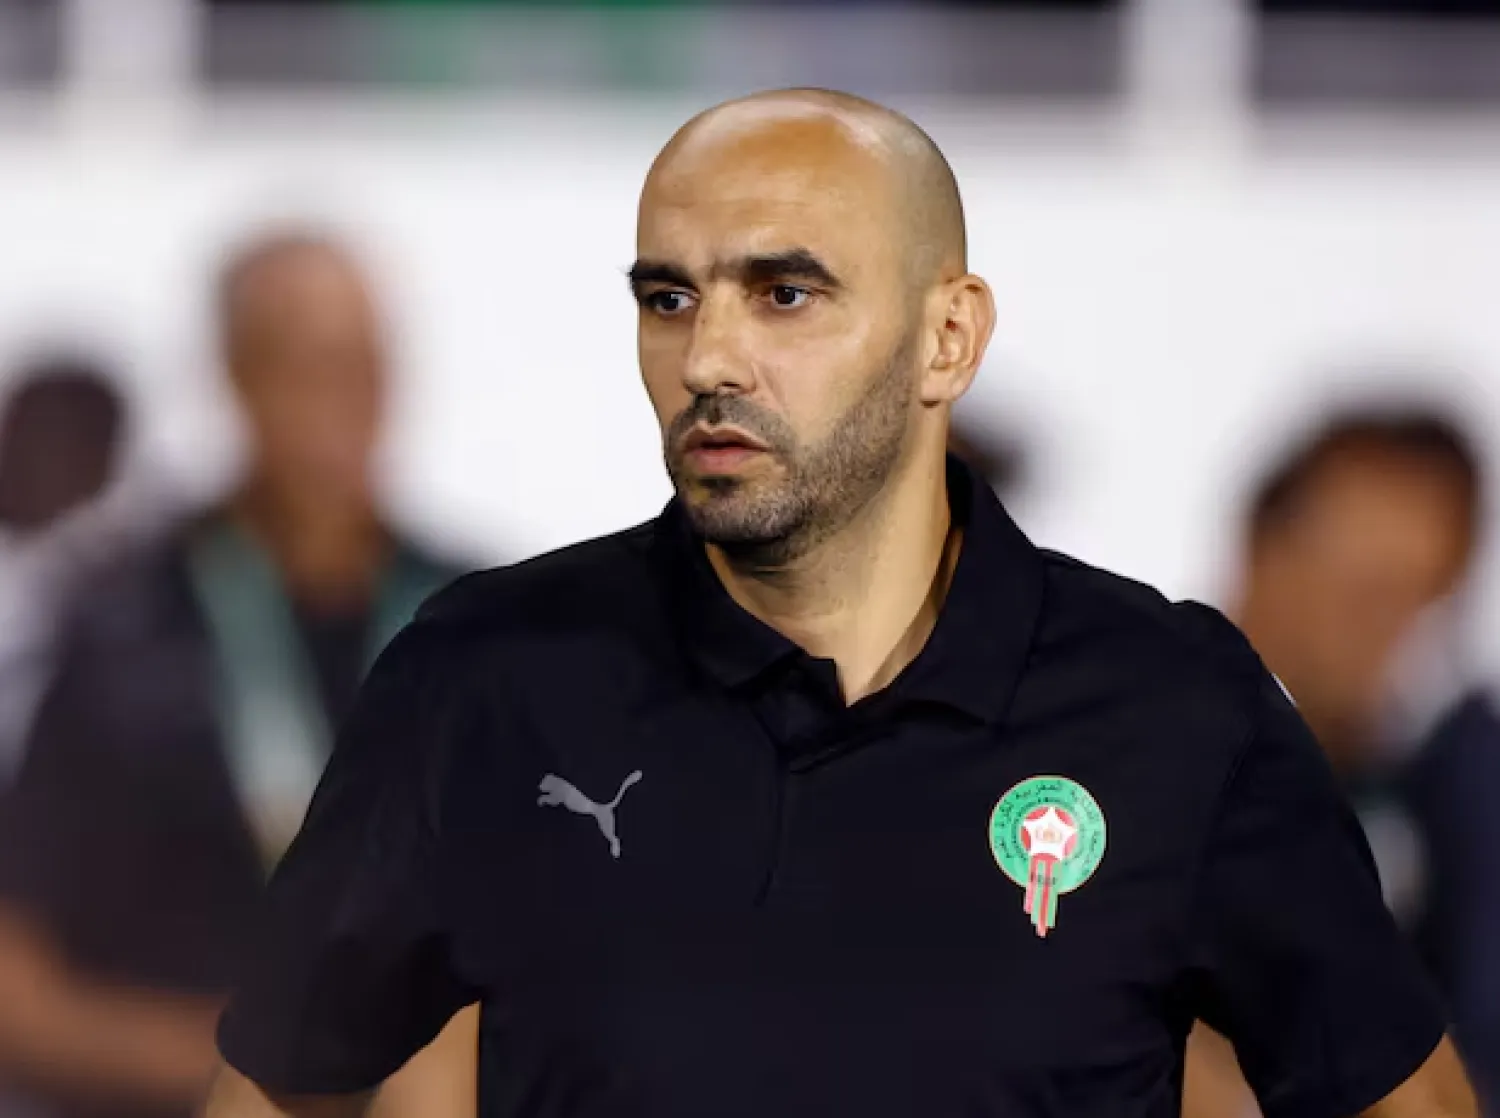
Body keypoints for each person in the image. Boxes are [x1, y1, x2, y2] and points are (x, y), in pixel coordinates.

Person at [207, 90, 1475, 1118]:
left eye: (785, 293)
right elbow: (281, 1084)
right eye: (669, 297)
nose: (708, 356)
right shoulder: (488, 679)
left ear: (947, 340)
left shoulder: (1178, 710)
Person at [0, 232, 476, 1118]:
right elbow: (18, 990)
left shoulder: (477, 621)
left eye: (365, 361)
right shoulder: (115, 631)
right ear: (235, 376)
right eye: (307, 363)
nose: (348, 396)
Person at [1183, 406, 1486, 1118]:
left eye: (1423, 598)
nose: (1390, 633)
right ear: (1263, 551)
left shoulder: (1438, 807)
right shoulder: (1113, 745)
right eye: (1365, 591)